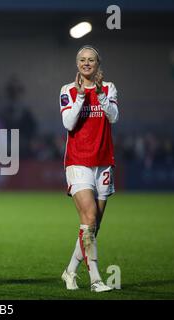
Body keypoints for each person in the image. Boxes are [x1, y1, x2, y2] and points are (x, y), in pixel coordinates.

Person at [59, 45, 119, 292]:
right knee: (90, 217)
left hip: (103, 162)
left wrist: (101, 96)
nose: (86, 63)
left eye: (91, 60)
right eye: (82, 60)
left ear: (97, 63)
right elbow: (68, 123)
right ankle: (95, 279)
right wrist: (82, 95)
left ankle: (70, 271)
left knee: (93, 225)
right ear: (77, 64)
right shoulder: (68, 90)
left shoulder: (109, 88)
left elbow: (114, 116)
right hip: (78, 161)